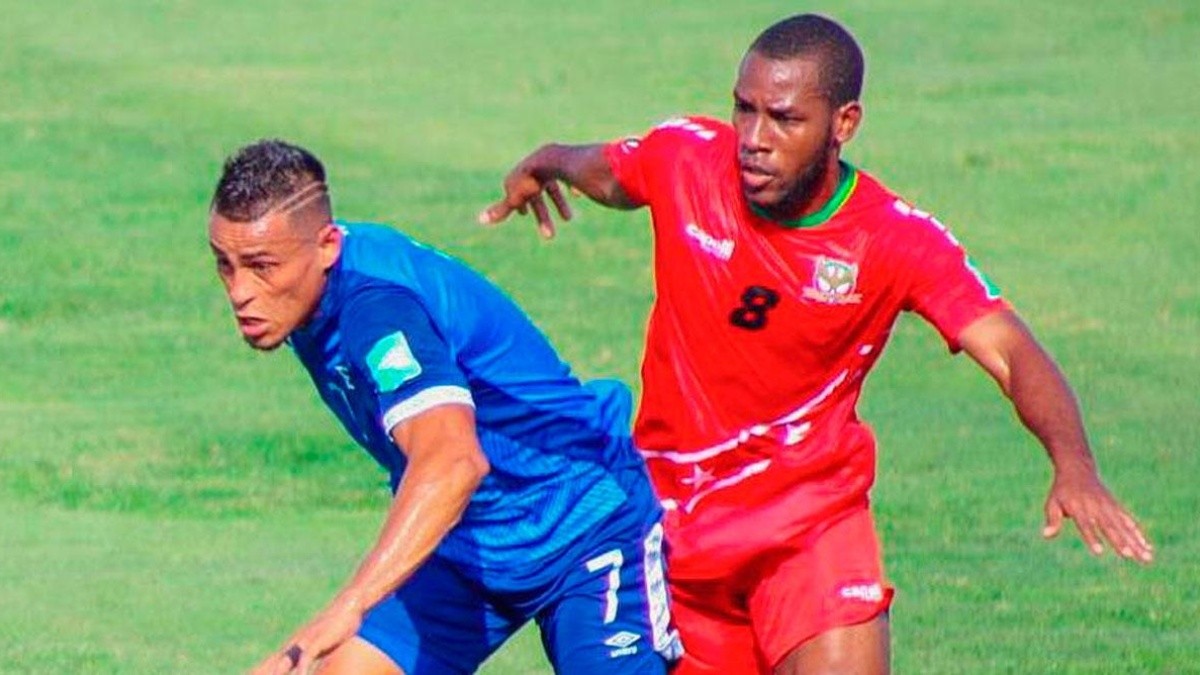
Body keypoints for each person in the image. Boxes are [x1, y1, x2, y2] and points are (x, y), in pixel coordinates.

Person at [479, 13, 1154, 675]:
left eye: (784, 118)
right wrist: (546, 162)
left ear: (844, 123)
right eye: (743, 110)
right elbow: (607, 172)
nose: (753, 138)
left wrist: (1075, 463)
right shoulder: (686, 157)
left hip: (809, 529)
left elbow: (1010, 350)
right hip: (678, 532)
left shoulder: (893, 239)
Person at [207, 139, 682, 675]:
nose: (240, 291)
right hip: (467, 544)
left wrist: (346, 607)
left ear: (328, 245)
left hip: (583, 524)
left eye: (260, 266)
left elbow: (453, 462)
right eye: (225, 265)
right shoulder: (306, 284)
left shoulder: (377, 311)